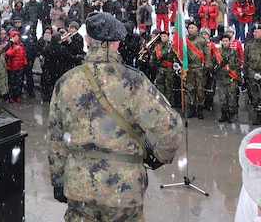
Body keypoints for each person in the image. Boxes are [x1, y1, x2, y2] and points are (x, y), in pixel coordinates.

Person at [47, 11, 183, 221]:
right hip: (123, 189)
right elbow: (171, 126)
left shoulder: (66, 82)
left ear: (86, 40)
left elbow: (56, 138)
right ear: (117, 43)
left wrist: (58, 180)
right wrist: (160, 156)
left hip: (79, 186)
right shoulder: (134, 81)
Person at [212, 34, 240, 122]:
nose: (225, 42)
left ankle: (231, 114)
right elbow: (212, 63)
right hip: (220, 79)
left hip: (230, 78)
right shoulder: (217, 52)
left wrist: (231, 69)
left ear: (229, 41)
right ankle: (224, 114)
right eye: (223, 41)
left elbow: (237, 65)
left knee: (231, 97)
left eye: (226, 41)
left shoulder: (233, 52)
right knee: (222, 98)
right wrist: (216, 68)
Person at [186, 21, 210, 119]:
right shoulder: (185, 39)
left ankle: (200, 109)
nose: (190, 30)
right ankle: (191, 108)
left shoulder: (202, 40)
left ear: (196, 29)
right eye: (189, 28)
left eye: (192, 28)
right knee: (190, 89)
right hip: (189, 68)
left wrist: (207, 66)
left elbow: (207, 53)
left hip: (199, 68)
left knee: (200, 89)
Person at [152, 30, 176, 105]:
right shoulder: (157, 46)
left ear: (168, 37)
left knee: (168, 86)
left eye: (165, 36)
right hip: (160, 69)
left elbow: (175, 57)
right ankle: (161, 101)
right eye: (161, 36)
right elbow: (153, 57)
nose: (163, 38)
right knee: (160, 86)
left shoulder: (171, 46)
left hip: (169, 69)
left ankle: (168, 102)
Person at [244, 23, 261, 125]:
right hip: (252, 74)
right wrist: (250, 73)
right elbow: (246, 61)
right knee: (255, 96)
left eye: (257, 32)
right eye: (254, 32)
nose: (255, 33)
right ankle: (258, 114)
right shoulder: (249, 45)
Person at [5, 30, 28, 103]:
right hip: (12, 67)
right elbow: (9, 54)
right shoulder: (10, 45)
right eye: (15, 36)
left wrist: (25, 63)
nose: (17, 38)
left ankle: (17, 96)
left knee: (19, 83)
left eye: (18, 36)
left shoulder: (21, 45)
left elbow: (23, 55)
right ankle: (11, 96)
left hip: (20, 67)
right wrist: (15, 49)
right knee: (12, 83)